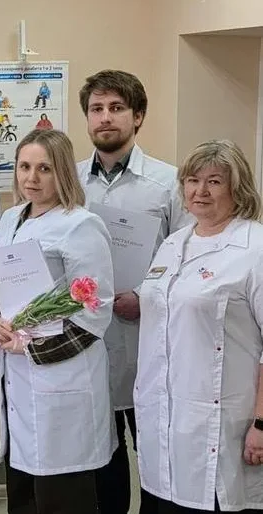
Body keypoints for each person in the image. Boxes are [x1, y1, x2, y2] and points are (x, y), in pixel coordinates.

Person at [0, 129, 115, 514]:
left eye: (44, 168)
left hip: (61, 378)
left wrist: (31, 347)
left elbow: (95, 312)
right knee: (23, 492)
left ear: (63, 172)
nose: (32, 178)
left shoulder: (80, 224)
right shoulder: (10, 218)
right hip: (16, 378)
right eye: (24, 167)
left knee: (61, 496)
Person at [76, 69, 189, 514]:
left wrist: (144, 295)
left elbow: (186, 253)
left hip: (148, 337)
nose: (105, 118)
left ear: (137, 116)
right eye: (96, 109)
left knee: (154, 448)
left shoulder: (169, 183)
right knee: (102, 457)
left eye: (116, 108)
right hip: (89, 337)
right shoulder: (70, 181)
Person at [135, 140, 263, 513]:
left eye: (214, 181)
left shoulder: (254, 248)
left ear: (237, 188)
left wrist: (262, 423)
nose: (200, 191)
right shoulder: (173, 243)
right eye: (192, 180)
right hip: (163, 421)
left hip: (225, 425)